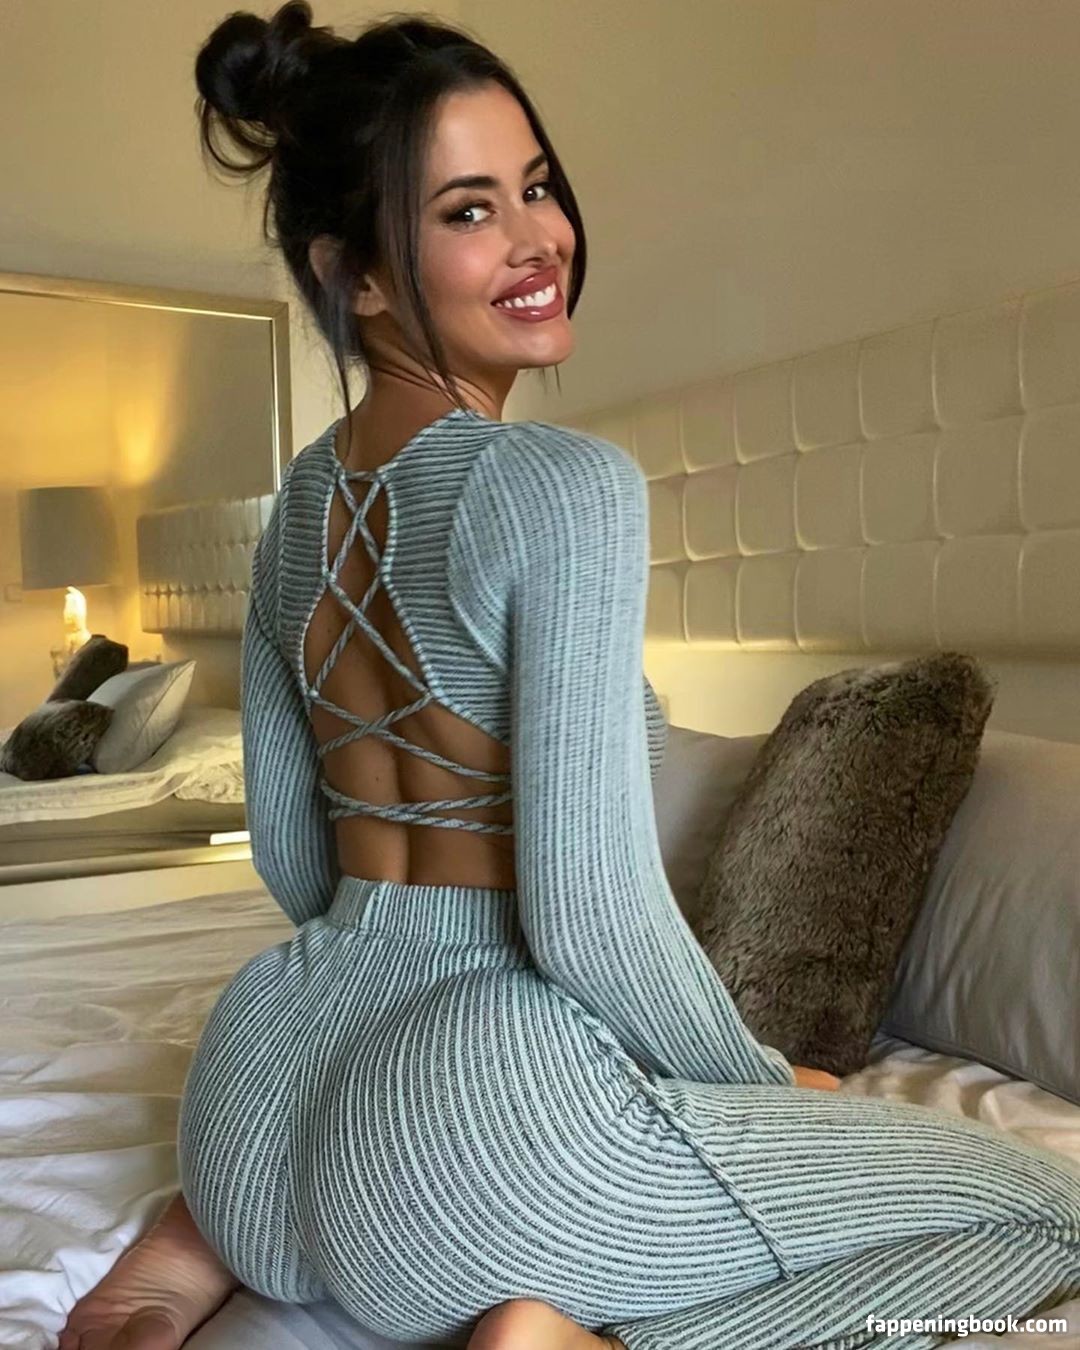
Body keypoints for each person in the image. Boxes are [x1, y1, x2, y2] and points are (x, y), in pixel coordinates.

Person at [62, 6, 1080, 1349]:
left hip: (262, 1087)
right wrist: (756, 1084)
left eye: (536, 186)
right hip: (470, 1136)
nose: (538, 238)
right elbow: (593, 917)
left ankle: (198, 1244)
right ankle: (569, 1336)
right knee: (1051, 1216)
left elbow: (297, 860)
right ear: (355, 276)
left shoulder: (296, 511)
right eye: (470, 211)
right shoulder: (563, 486)